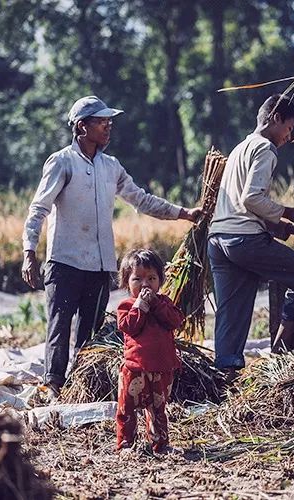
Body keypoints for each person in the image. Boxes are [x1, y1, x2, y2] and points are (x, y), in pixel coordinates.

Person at [21, 95, 201, 400]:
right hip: (64, 260)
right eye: (101, 122)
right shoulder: (62, 162)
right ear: (82, 127)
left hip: (100, 263)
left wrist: (183, 213)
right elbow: (39, 208)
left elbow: (142, 199)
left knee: (89, 330)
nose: (108, 127)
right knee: (59, 325)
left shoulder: (111, 167)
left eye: (109, 121)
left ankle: (80, 384)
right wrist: (29, 252)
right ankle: (52, 383)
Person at [207, 94, 294, 379]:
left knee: (230, 311)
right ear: (275, 118)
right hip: (244, 241)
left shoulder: (239, 149)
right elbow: (251, 199)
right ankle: (280, 349)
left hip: (219, 240)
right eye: (289, 128)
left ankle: (225, 374)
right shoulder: (265, 149)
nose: (288, 137)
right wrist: (290, 213)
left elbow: (238, 209)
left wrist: (284, 230)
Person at [115, 248, 183, 453]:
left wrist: (155, 305)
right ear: (127, 282)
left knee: (157, 409)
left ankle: (160, 444)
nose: (145, 284)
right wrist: (141, 306)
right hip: (134, 369)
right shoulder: (126, 306)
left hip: (161, 368)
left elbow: (175, 320)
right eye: (137, 279)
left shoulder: (164, 304)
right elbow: (129, 326)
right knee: (127, 408)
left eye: (152, 278)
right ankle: (126, 444)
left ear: (160, 281)